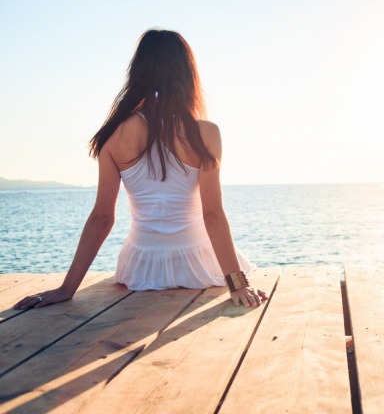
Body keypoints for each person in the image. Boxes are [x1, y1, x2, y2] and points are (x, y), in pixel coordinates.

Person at [14, 29, 267, 310]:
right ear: (186, 73)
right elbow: (213, 215)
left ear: (137, 72)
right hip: (200, 265)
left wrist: (66, 288)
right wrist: (237, 284)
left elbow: (101, 218)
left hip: (141, 270)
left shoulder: (113, 135)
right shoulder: (205, 133)